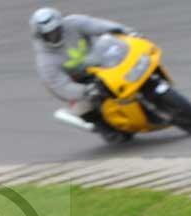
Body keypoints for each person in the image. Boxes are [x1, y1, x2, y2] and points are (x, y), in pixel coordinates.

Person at [29, 7, 137, 142]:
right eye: (49, 34)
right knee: (81, 107)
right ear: (40, 36)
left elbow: (99, 26)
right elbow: (59, 85)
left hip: (102, 61)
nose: (54, 35)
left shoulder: (74, 23)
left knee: (133, 63)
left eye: (56, 30)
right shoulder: (45, 59)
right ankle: (105, 128)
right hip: (82, 81)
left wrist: (124, 31)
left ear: (61, 25)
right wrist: (84, 91)